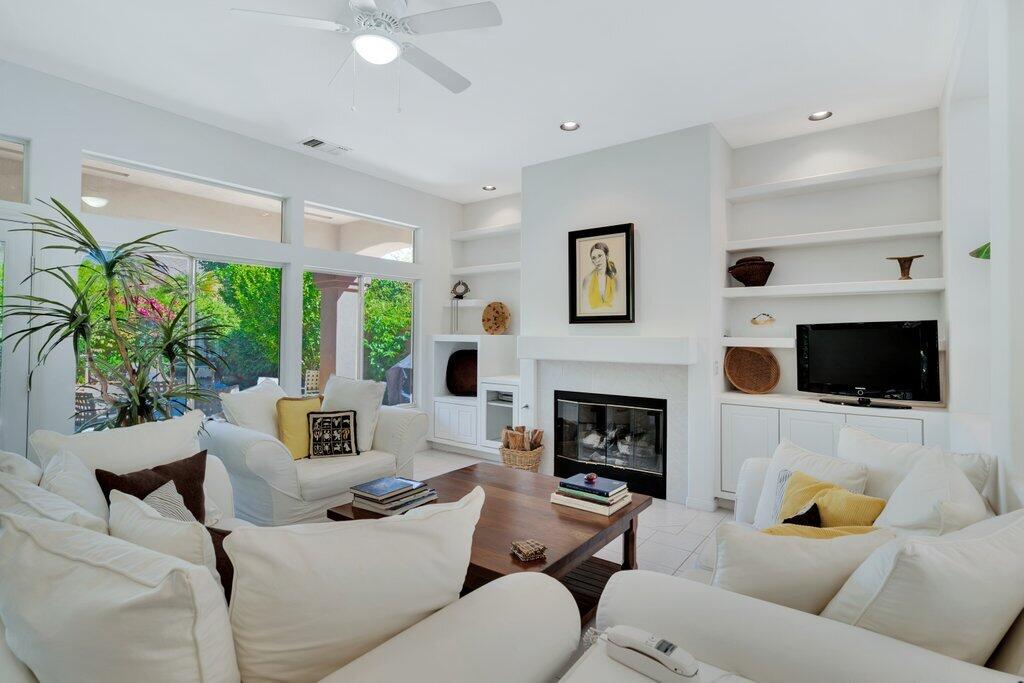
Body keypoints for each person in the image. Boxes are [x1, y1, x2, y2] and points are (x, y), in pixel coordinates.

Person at [582, 242, 617, 310]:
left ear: (607, 256)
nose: (597, 260)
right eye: (594, 258)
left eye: (600, 256)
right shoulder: (587, 279)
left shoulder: (615, 278)